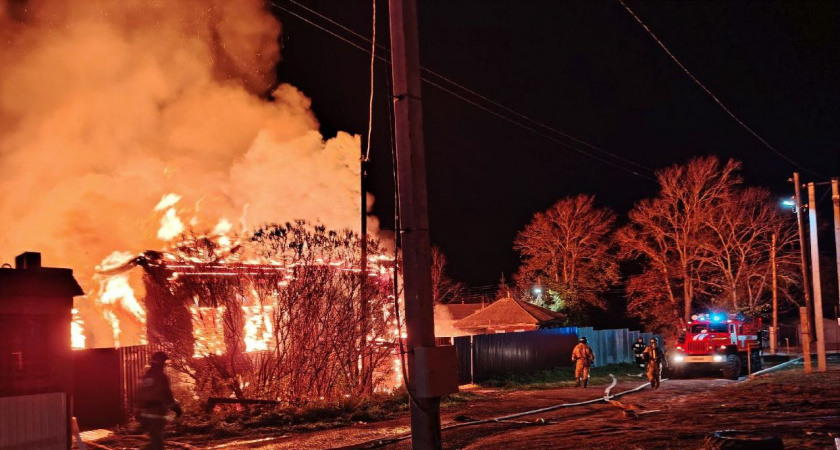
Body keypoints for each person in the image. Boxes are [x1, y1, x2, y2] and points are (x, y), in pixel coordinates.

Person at [137, 351, 182, 450]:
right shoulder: (161, 377)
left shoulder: (146, 377)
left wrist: (139, 412)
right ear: (161, 363)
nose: (164, 366)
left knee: (154, 440)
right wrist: (177, 409)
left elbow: (139, 395)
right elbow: (167, 396)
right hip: (157, 413)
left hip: (145, 414)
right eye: (164, 363)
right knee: (157, 443)